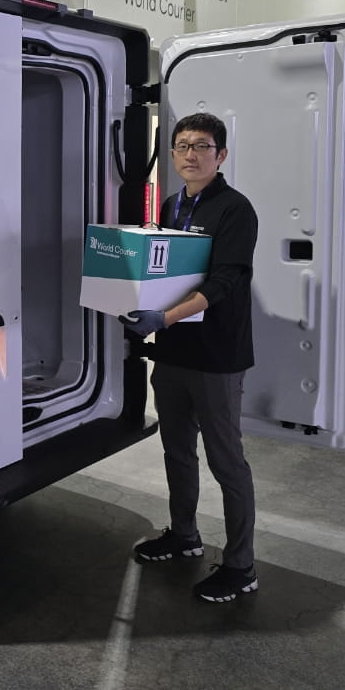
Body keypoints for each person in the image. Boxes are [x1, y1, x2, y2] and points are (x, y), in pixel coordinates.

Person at [119, 112, 259, 603]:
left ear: (220, 155)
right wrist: (135, 306)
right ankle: (184, 536)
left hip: (216, 358)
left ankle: (242, 566)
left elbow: (226, 281)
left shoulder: (234, 209)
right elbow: (160, 272)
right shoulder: (171, 204)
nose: (190, 154)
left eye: (202, 146)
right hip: (174, 353)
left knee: (227, 462)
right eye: (181, 146)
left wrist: (166, 317)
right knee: (177, 450)